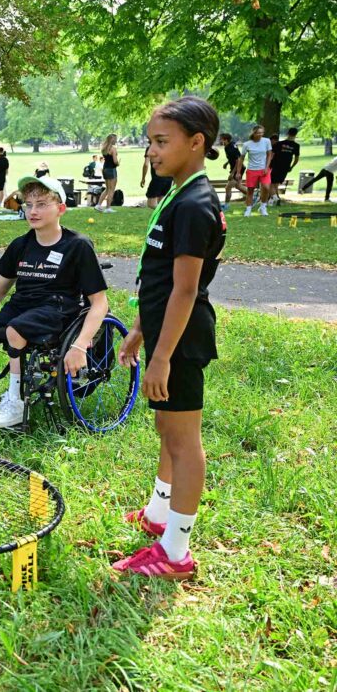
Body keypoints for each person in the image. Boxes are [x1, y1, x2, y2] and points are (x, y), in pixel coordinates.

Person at [115, 95, 227, 580]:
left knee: (183, 441)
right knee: (167, 431)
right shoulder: (179, 193)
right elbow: (157, 277)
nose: (152, 153)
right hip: (164, 333)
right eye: (149, 143)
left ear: (196, 142)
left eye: (161, 142)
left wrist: (161, 358)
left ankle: (175, 550)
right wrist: (141, 328)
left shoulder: (196, 205)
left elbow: (184, 290)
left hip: (180, 340)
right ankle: (159, 513)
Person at [0, 174, 109, 428]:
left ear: (61, 209)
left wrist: (79, 346)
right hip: (23, 304)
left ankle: (16, 402)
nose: (33, 211)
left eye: (42, 204)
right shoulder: (20, 245)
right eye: (28, 204)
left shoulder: (77, 246)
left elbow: (99, 302)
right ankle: (13, 389)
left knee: (15, 330)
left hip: (59, 307)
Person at [237, 124, 272, 217]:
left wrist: (266, 167)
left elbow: (269, 155)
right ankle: (248, 210)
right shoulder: (246, 144)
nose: (261, 134)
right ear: (254, 133)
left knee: (266, 187)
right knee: (250, 190)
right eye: (258, 133)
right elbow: (241, 159)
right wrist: (238, 172)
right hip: (252, 170)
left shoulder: (266, 141)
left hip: (264, 169)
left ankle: (263, 207)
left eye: (262, 133)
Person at [267, 128, 300, 205]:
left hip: (275, 165)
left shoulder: (279, 144)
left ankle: (275, 198)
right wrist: (291, 167)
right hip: (286, 167)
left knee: (270, 182)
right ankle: (276, 199)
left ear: (287, 133)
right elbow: (296, 159)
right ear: (295, 134)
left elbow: (271, 155)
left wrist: (267, 165)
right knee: (275, 183)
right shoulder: (296, 146)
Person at [141, 141, 172, 208]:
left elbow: (146, 165)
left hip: (157, 178)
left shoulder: (150, 149)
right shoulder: (166, 148)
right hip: (169, 178)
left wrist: (143, 178)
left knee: (151, 204)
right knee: (162, 203)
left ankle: (159, 216)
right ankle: (163, 216)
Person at [219, 133, 246, 205]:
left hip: (238, 168)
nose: (220, 141)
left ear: (226, 140)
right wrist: (227, 163)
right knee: (238, 186)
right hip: (237, 168)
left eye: (221, 139)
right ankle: (252, 197)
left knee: (227, 188)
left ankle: (226, 205)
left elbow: (238, 160)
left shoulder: (232, 148)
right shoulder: (227, 147)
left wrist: (233, 173)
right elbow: (232, 158)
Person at [95, 134, 118, 212]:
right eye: (115, 139)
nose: (116, 140)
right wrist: (118, 163)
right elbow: (115, 161)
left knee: (107, 189)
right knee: (112, 189)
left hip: (105, 169)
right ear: (112, 140)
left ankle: (98, 205)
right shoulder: (113, 149)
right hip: (111, 169)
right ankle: (108, 208)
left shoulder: (104, 148)